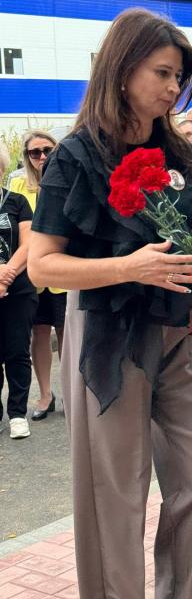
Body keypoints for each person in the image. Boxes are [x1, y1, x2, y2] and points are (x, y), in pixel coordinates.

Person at [28, 8, 192, 599]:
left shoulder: (182, 153)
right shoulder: (75, 157)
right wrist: (128, 266)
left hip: (179, 328)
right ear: (122, 70)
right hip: (107, 334)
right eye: (163, 73)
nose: (173, 88)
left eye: (180, 77)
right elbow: (42, 266)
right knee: (116, 488)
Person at [11, 130, 66, 421]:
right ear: (27, 156)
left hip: (65, 271)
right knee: (39, 333)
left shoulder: (67, 177)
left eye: (48, 150)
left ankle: (70, 392)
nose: (42, 157)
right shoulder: (18, 185)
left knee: (67, 333)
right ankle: (46, 395)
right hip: (33, 274)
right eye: (35, 152)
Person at [0, 141, 37, 440]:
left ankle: (17, 414)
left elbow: (28, 244)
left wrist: (5, 276)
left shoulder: (17, 201)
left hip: (18, 289)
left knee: (17, 351)